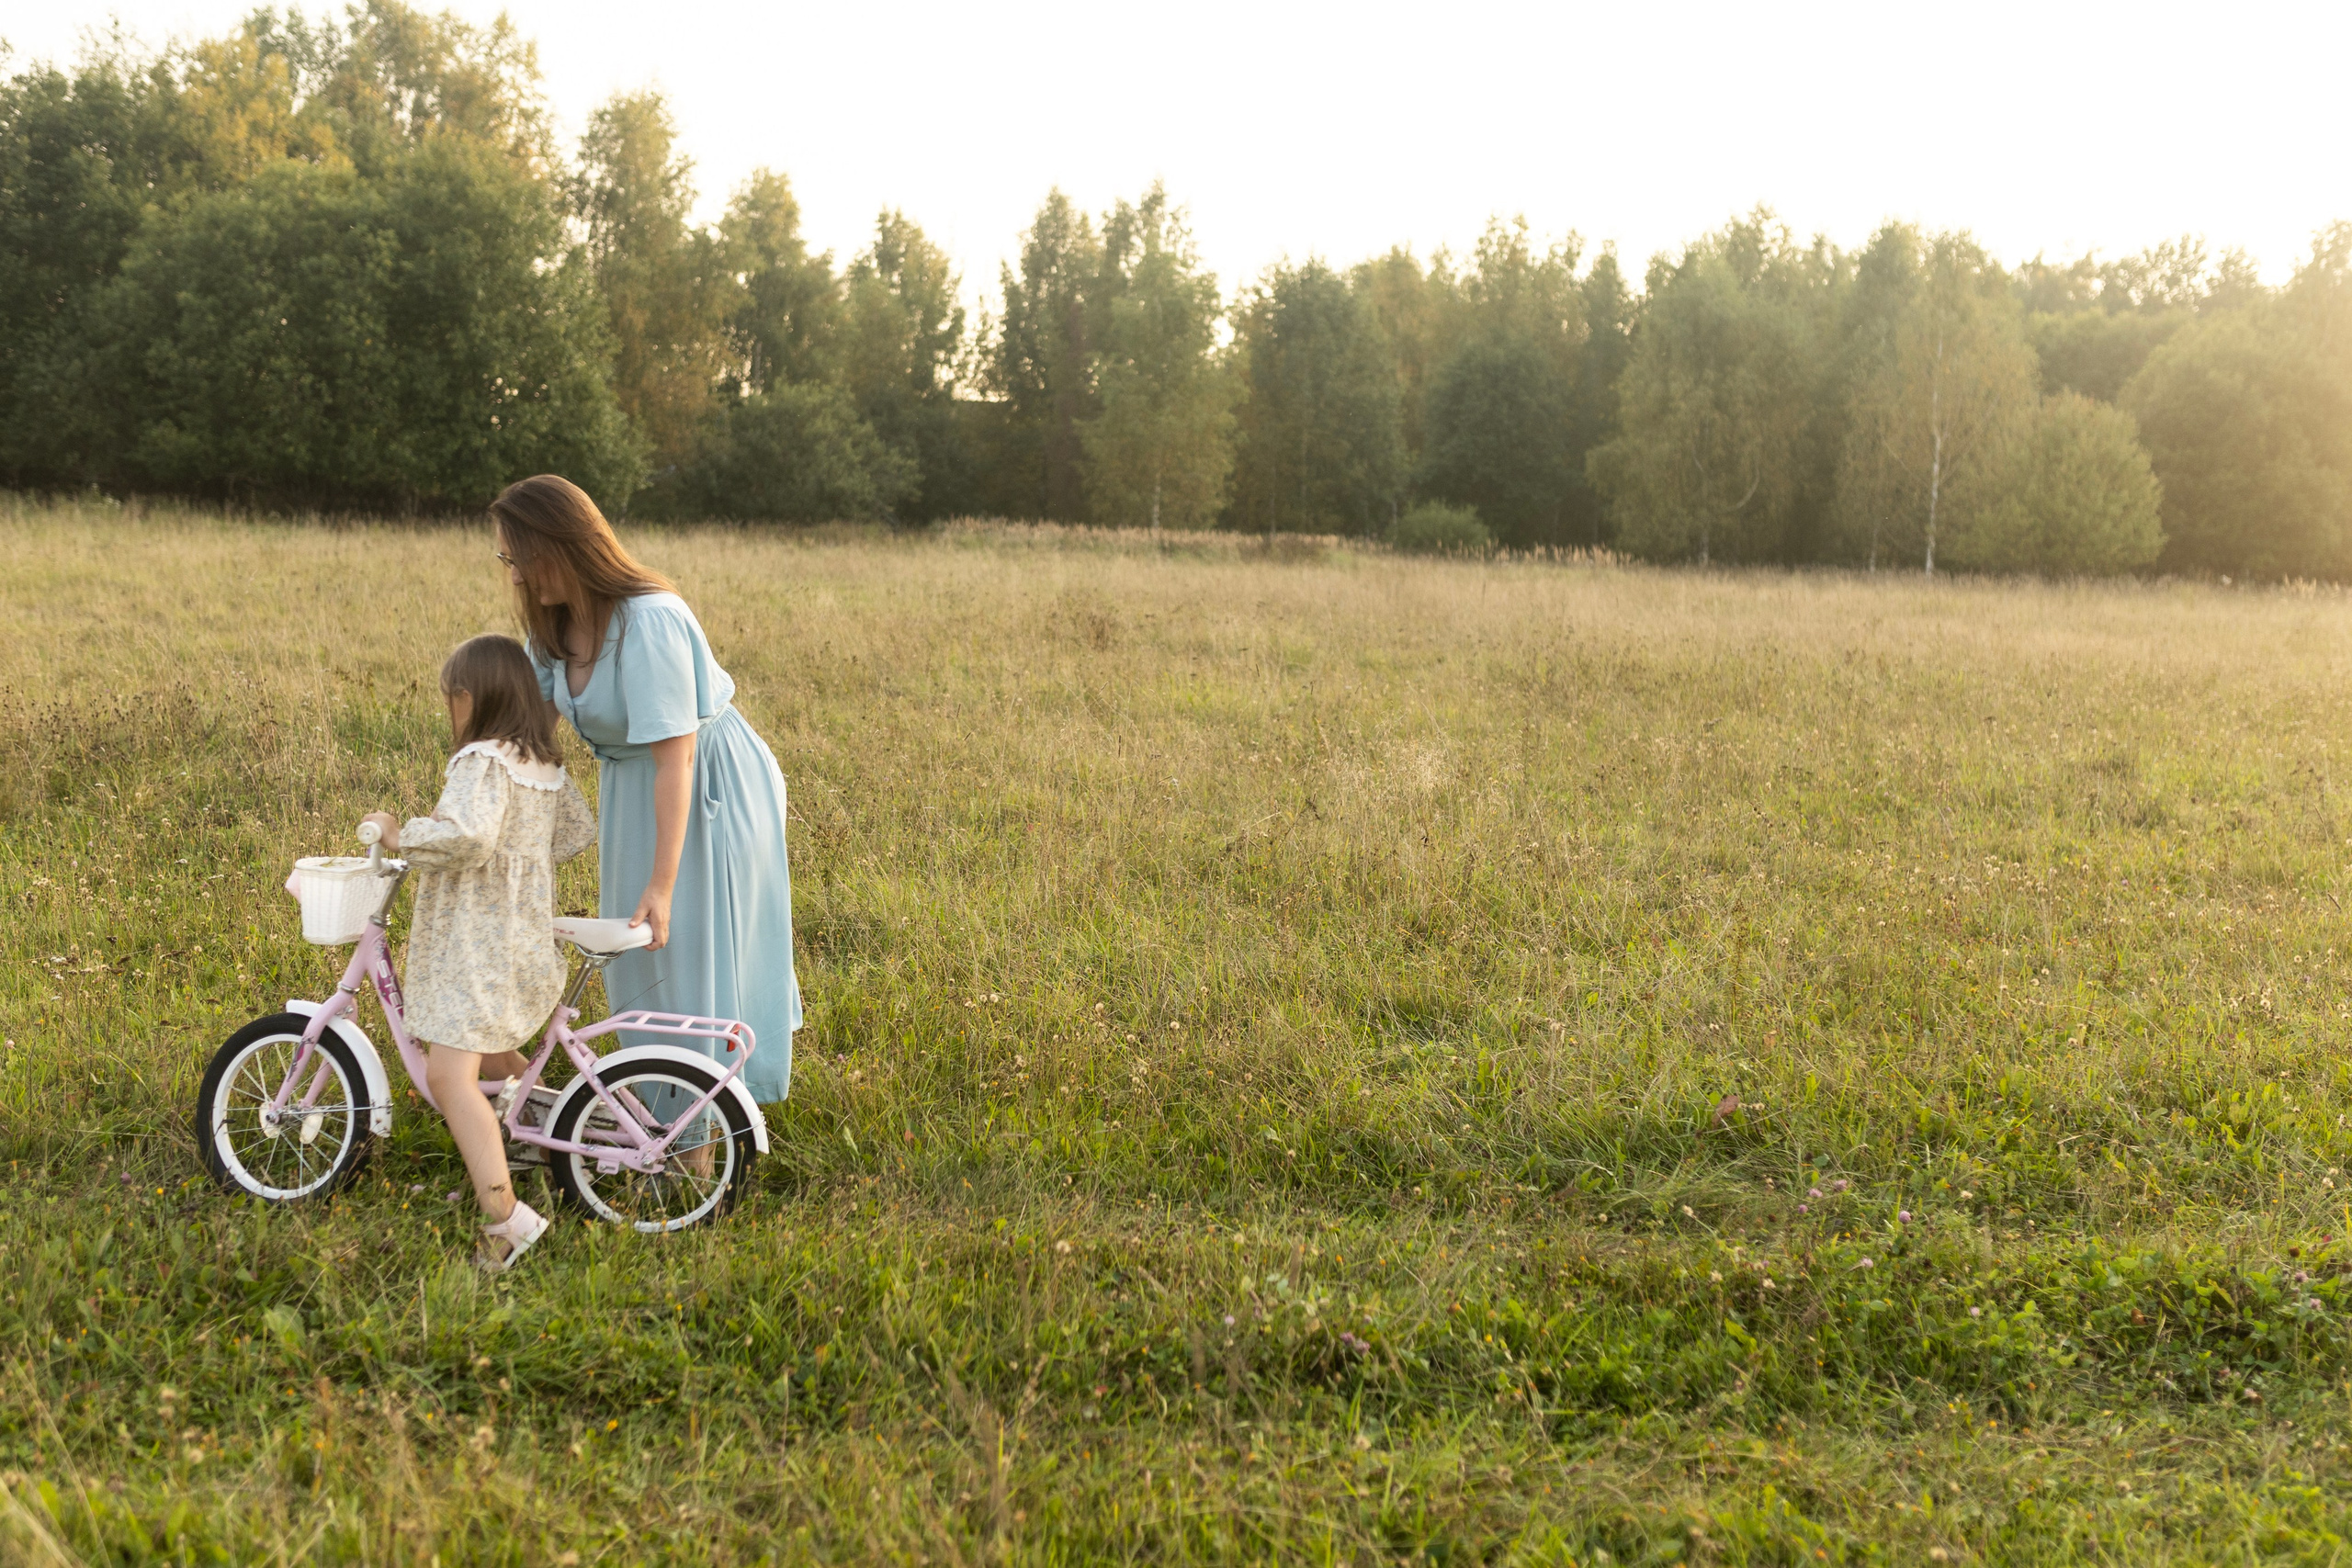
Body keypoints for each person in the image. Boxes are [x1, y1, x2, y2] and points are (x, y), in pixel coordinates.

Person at [489, 473, 801, 1107]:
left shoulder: (649, 621)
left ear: (565, 544)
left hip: (708, 783)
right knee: (639, 957)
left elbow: (677, 758)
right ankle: (662, 1111)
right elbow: (527, 742)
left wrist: (662, 884)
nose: (516, 577)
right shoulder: (551, 630)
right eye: (508, 561)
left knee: (682, 945)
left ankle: (701, 1139)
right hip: (634, 786)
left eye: (522, 558)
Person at [361, 634, 595, 1271]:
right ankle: (547, 1143)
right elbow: (576, 831)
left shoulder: (481, 761)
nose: (450, 710)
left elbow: (467, 838)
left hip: (475, 949)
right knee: (496, 1053)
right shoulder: (540, 765)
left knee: (448, 1077)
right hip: (521, 942)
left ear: (476, 697)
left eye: (453, 697)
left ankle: (507, 1216)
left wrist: (402, 832)